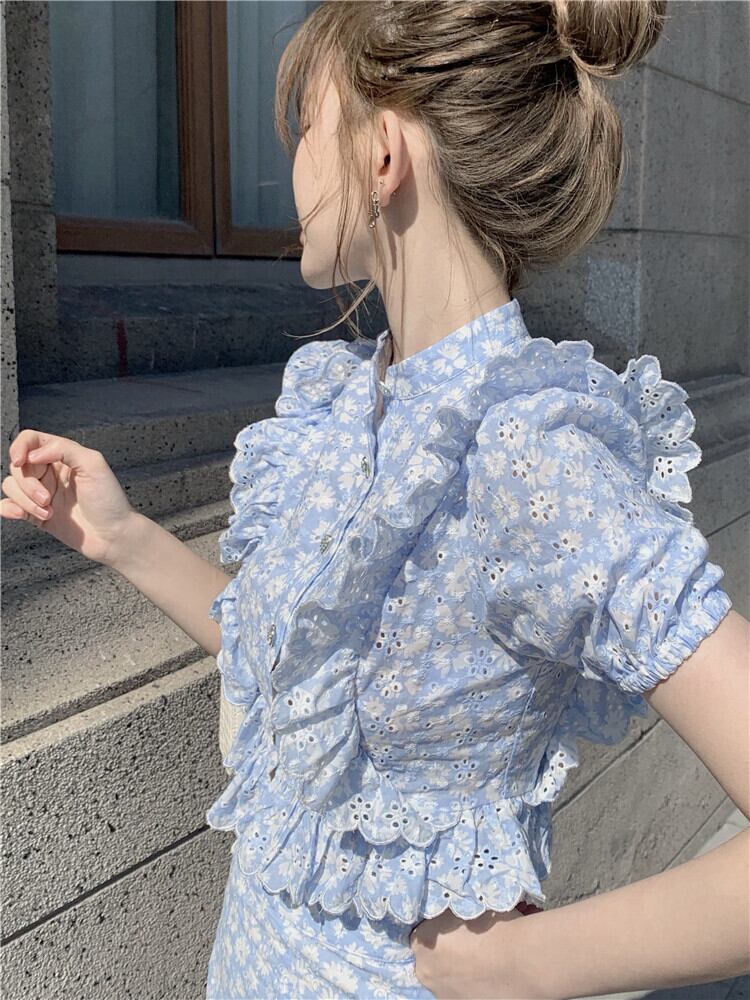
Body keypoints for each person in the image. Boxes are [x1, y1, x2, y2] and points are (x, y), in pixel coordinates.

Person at [3, 2, 748, 998]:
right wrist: (123, 537)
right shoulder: (349, 401)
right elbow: (302, 677)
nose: (288, 166)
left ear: (383, 154)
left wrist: (518, 967)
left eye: (305, 125)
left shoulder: (532, 455)